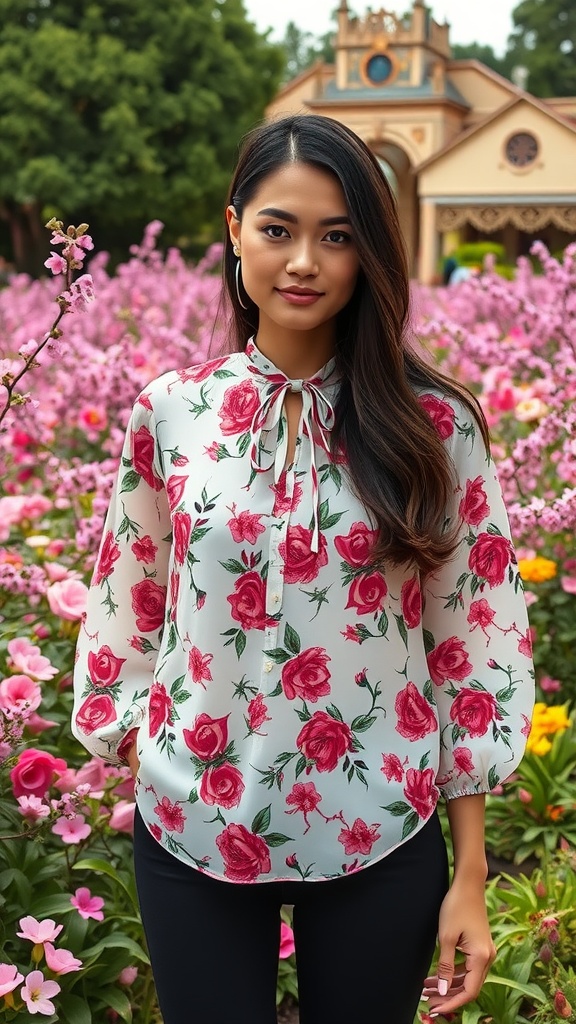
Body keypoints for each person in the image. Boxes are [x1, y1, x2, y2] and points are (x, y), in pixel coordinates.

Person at [72, 113, 534, 1024]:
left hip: (381, 831)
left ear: (369, 254)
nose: (304, 264)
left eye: (338, 237)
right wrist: (135, 737)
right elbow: (130, 593)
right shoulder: (171, 412)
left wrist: (471, 874)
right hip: (190, 828)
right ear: (235, 226)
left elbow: (472, 640)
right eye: (279, 229)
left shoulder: (435, 427)